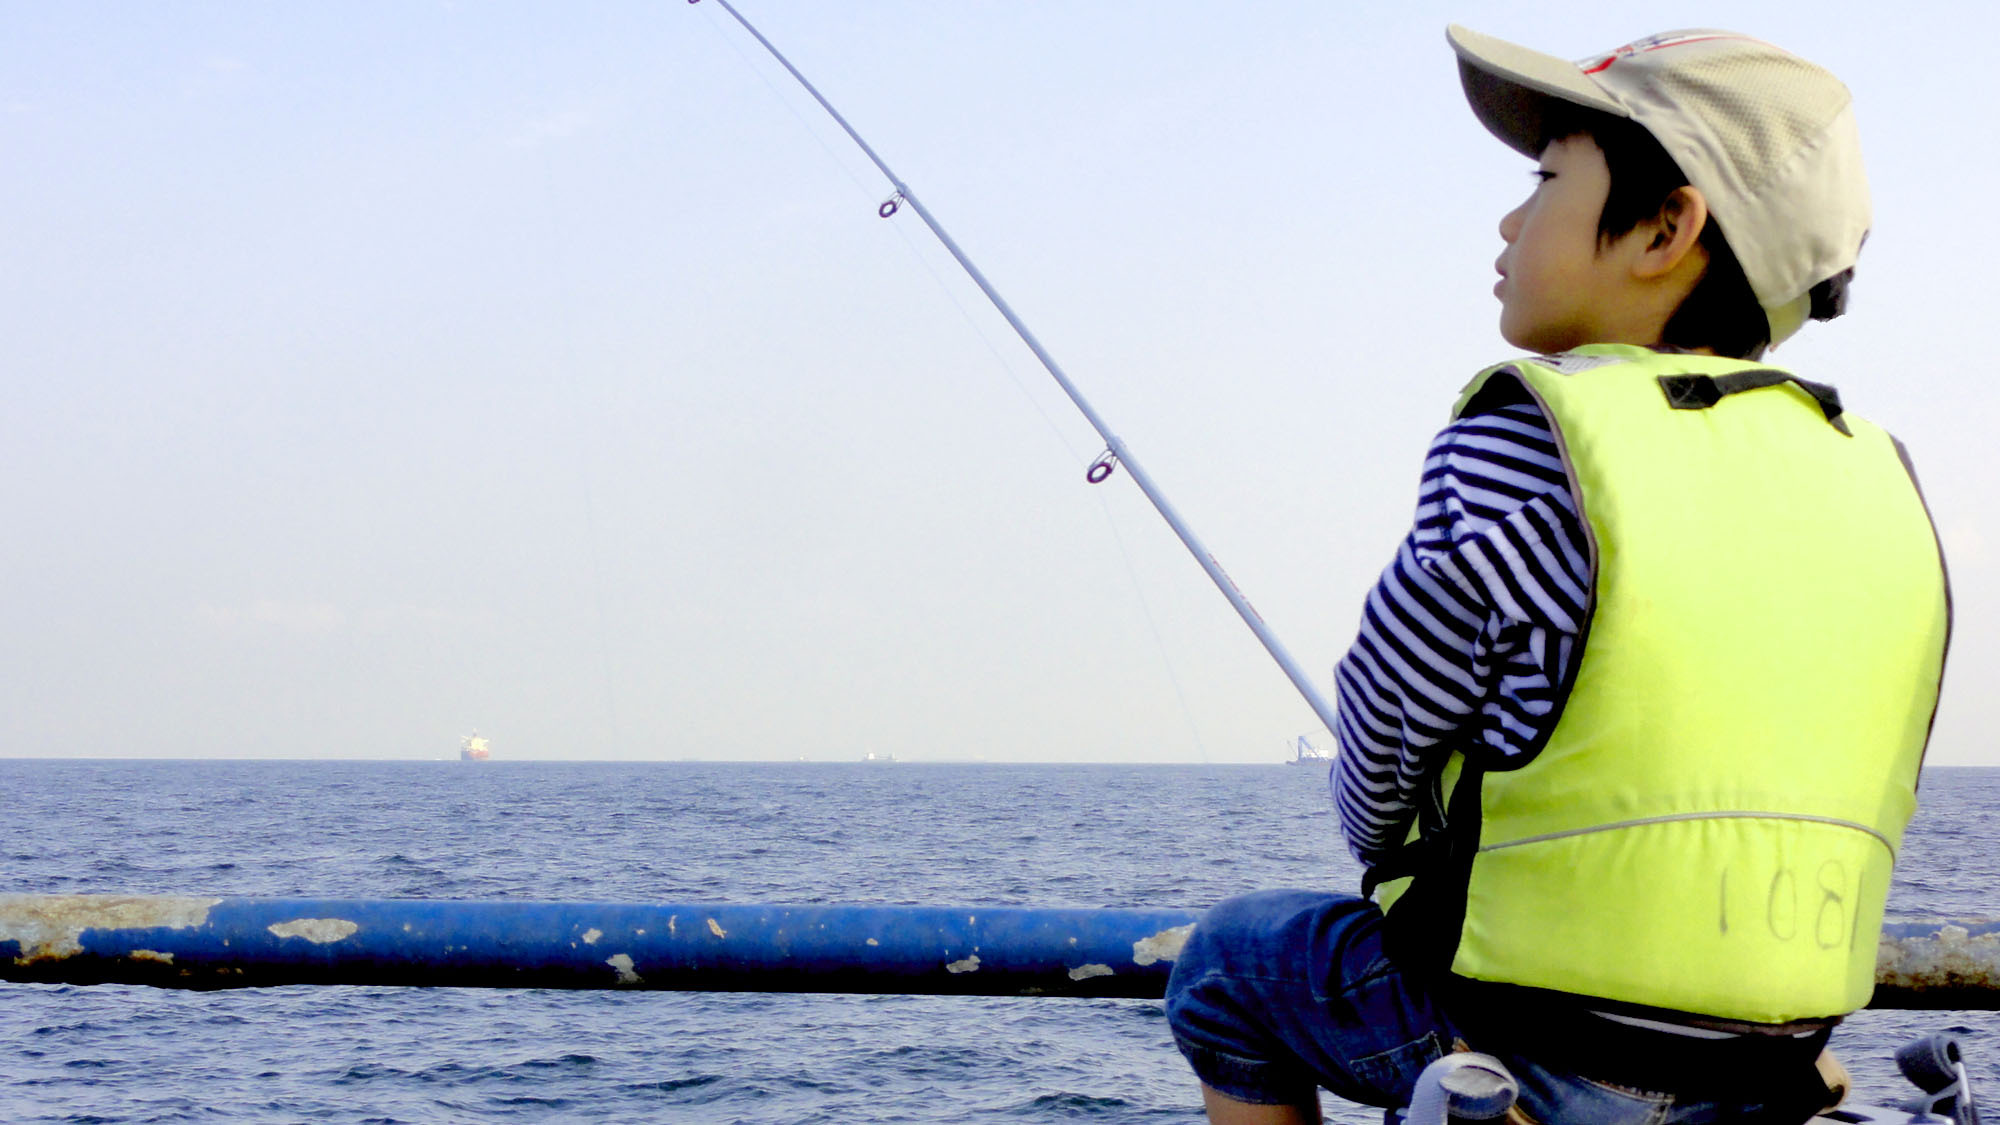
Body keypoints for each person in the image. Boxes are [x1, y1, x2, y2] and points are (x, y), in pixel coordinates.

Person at [1163, 25, 1951, 1125]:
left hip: (1540, 1053)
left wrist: (1392, 844)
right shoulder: (1882, 480)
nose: (1506, 219)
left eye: (1542, 182)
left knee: (1226, 969)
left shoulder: (1531, 441)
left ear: (1664, 226)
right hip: (1773, 1067)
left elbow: (1383, 738)